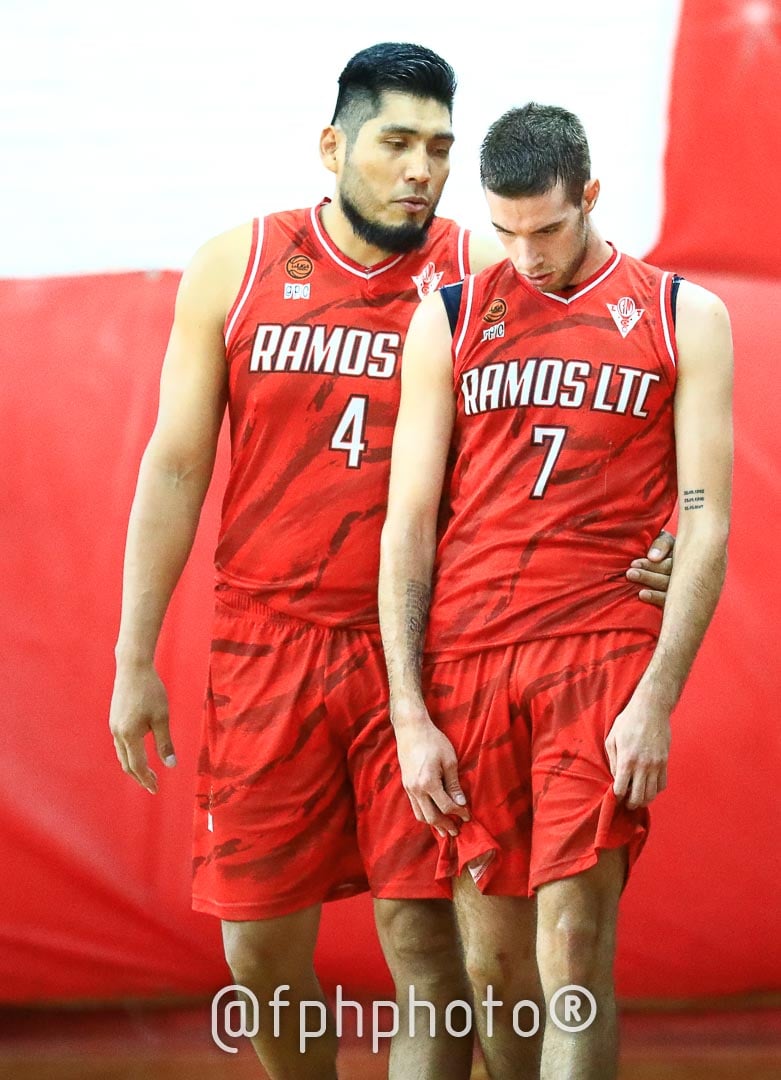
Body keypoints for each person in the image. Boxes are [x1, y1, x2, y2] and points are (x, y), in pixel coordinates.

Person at [109, 45, 674, 1079]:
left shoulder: (487, 265)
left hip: (422, 650)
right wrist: (132, 655)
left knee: (427, 946)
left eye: (440, 149)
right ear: (333, 146)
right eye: (398, 142)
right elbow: (177, 464)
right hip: (267, 646)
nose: (422, 169)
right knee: (256, 952)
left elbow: (620, 352)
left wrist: (670, 528)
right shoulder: (236, 265)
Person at [378, 101, 732, 1080]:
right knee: (493, 970)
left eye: (547, 228)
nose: (526, 255)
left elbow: (704, 517)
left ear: (591, 197)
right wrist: (408, 710)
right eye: (504, 231)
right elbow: (407, 526)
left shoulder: (682, 315)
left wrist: (656, 697)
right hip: (467, 655)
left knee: (572, 950)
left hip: (599, 651)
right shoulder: (449, 318)